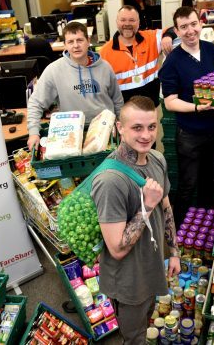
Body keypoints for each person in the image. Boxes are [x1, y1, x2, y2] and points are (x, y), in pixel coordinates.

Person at [91, 96, 180, 343]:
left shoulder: (157, 159)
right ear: (120, 128)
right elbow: (117, 249)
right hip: (129, 281)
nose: (146, 135)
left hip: (151, 267)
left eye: (151, 127)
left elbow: (167, 207)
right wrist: (148, 204)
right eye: (137, 128)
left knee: (147, 322)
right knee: (134, 337)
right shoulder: (110, 180)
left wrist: (174, 251)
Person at [159, 6, 214, 225]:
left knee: (209, 182)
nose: (190, 31)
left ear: (201, 24)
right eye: (184, 27)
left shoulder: (210, 49)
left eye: (193, 24)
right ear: (176, 31)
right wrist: (198, 107)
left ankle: (204, 229)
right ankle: (177, 233)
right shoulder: (172, 62)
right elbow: (170, 102)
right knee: (188, 184)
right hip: (190, 135)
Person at [27, 21, 123, 150]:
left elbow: (117, 101)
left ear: (88, 41)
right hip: (72, 135)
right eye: (70, 42)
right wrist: (33, 132)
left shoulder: (105, 67)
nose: (76, 46)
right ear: (65, 44)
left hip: (105, 131)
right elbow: (36, 102)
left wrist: (121, 125)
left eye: (80, 40)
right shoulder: (54, 70)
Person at [99, 5, 176, 107]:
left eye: (132, 20)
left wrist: (167, 37)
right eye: (123, 20)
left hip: (151, 106)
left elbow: (174, 29)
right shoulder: (104, 52)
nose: (127, 24)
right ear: (117, 22)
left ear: (139, 23)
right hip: (124, 110)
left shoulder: (151, 38)